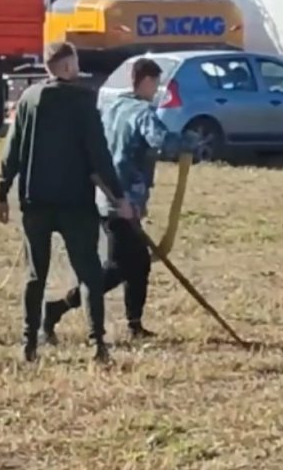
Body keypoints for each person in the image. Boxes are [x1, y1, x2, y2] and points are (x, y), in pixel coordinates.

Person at [0, 41, 133, 363]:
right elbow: (99, 155)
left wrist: (2, 191)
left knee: (34, 275)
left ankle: (30, 343)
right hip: (75, 204)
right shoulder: (83, 101)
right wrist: (119, 197)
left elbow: (12, 149)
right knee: (89, 274)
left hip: (35, 201)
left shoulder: (29, 99)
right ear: (68, 66)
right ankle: (98, 344)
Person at [42, 58, 195, 344]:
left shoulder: (113, 108)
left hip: (104, 195)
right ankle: (57, 308)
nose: (157, 91)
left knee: (138, 264)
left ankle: (134, 325)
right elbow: (162, 141)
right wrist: (189, 142)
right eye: (156, 85)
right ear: (147, 81)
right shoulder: (142, 112)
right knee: (118, 268)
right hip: (123, 201)